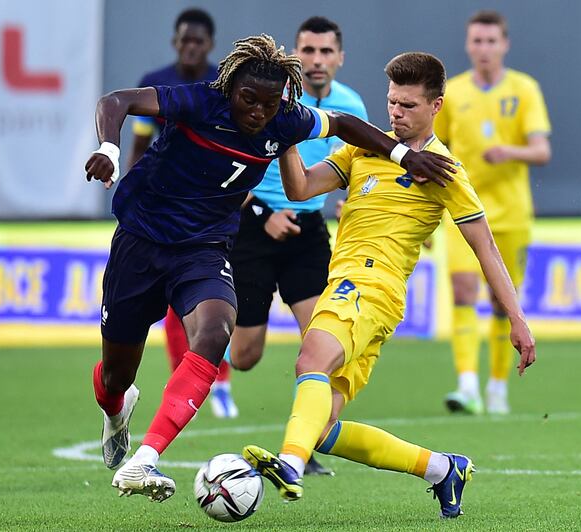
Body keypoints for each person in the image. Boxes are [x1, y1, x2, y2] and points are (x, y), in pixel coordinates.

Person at [84, 35, 454, 503]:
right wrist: (110, 150)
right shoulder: (200, 100)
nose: (259, 112)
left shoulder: (285, 118)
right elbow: (115, 101)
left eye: (270, 103)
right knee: (116, 376)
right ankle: (116, 412)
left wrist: (402, 154)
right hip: (141, 242)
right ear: (229, 89)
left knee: (217, 331)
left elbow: (341, 123)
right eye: (249, 100)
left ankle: (146, 459)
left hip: (204, 247)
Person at [243, 52, 536, 519]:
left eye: (408, 106)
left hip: (372, 285)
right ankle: (442, 469)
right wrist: (286, 140)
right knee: (320, 426)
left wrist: (517, 319)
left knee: (310, 358)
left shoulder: (443, 170)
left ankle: (292, 466)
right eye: (392, 103)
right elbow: (300, 190)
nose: (395, 114)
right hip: (354, 287)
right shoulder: (364, 147)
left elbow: (486, 249)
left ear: (436, 106)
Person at [227, 16, 367, 476]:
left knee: (320, 342)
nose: (317, 60)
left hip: (308, 232)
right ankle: (203, 341)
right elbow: (234, 167)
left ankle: (299, 447)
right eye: (308, 51)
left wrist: (352, 206)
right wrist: (266, 216)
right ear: (295, 55)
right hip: (253, 225)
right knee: (246, 357)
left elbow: (357, 170)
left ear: (340, 57)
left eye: (327, 52)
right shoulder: (272, 100)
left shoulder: (351, 107)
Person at [434, 10, 551, 415]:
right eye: (477, 41)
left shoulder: (524, 89)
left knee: (504, 304)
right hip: (463, 211)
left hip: (512, 214)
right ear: (468, 45)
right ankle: (467, 384)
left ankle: (498, 385)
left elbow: (542, 150)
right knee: (464, 290)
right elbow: (436, 149)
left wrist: (508, 152)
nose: (483, 48)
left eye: (490, 41)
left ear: (504, 44)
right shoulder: (453, 93)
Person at [124, 8, 237, 419]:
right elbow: (139, 145)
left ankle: (219, 381)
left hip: (212, 211)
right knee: (173, 306)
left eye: (198, 41)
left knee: (213, 301)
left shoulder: (224, 86)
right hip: (162, 212)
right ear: (175, 41)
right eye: (183, 40)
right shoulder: (154, 85)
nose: (190, 46)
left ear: (209, 45)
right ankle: (185, 385)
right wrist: (132, 195)